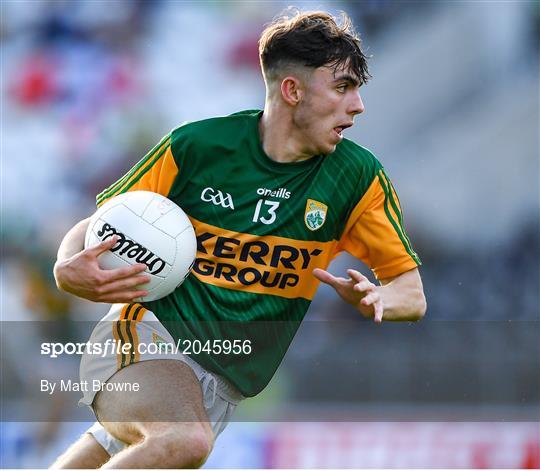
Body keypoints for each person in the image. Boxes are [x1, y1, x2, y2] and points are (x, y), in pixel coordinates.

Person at [51, 9, 426, 469]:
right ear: (292, 90)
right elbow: (101, 219)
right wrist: (68, 263)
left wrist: (380, 297)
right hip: (146, 335)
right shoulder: (199, 147)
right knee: (184, 441)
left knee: (121, 451)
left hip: (223, 384)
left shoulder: (358, 178)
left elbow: (412, 294)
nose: (358, 105)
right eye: (343, 87)